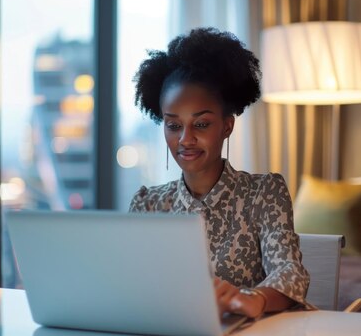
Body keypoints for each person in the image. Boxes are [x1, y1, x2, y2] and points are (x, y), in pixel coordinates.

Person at [128, 27, 312, 319]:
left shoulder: (264, 193)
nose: (185, 139)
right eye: (174, 125)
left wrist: (254, 298)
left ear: (227, 126)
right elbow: (132, 284)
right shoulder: (148, 204)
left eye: (201, 124)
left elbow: (290, 271)